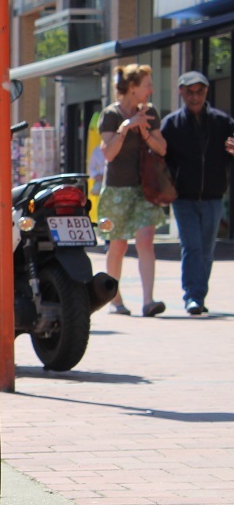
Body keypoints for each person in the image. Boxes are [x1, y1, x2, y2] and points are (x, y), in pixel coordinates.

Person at [159, 71, 234, 315]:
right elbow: (162, 159)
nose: (194, 97)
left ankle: (198, 294)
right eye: (189, 92)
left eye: (199, 91)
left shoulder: (223, 122)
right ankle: (193, 296)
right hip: (183, 197)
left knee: (207, 248)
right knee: (192, 246)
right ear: (181, 92)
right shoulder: (171, 124)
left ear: (206, 93)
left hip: (213, 195)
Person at [97, 63, 169, 317]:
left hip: (144, 188)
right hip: (117, 190)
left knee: (145, 240)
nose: (151, 89)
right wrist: (126, 127)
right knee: (118, 247)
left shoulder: (150, 113)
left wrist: (145, 131)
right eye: (147, 85)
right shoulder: (111, 114)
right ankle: (115, 299)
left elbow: (162, 149)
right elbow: (109, 154)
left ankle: (148, 301)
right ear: (133, 88)